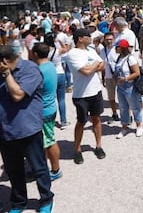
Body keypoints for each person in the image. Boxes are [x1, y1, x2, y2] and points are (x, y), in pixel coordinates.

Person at [0, 45, 54, 213]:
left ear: (4, 62)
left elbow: (17, 95)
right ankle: (19, 202)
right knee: (13, 170)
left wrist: (7, 74)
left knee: (38, 167)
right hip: (5, 131)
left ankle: (46, 199)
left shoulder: (30, 69)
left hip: (27, 129)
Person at [63, 28, 106, 164]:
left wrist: (91, 67)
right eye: (88, 36)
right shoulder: (73, 54)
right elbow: (86, 71)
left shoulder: (91, 50)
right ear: (80, 38)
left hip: (96, 91)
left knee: (96, 119)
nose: (90, 37)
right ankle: (77, 149)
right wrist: (94, 65)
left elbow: (103, 65)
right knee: (81, 122)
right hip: (81, 94)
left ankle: (98, 145)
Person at [32, 43, 62, 181]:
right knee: (44, 140)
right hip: (49, 106)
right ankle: (42, 167)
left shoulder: (40, 70)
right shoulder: (50, 65)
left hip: (44, 110)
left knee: (49, 140)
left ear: (35, 54)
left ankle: (55, 170)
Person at [113, 39, 143, 138]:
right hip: (120, 86)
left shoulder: (130, 59)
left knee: (135, 106)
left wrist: (125, 78)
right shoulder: (118, 58)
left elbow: (136, 72)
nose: (115, 48)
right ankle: (124, 127)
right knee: (122, 108)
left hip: (130, 86)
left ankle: (139, 126)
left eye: (117, 47)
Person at [99, 32, 120, 122]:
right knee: (111, 97)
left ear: (114, 39)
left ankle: (127, 114)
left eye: (111, 39)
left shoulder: (118, 50)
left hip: (119, 77)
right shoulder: (103, 51)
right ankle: (114, 113)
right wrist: (103, 78)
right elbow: (102, 65)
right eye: (107, 39)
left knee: (124, 97)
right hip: (108, 77)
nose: (109, 41)